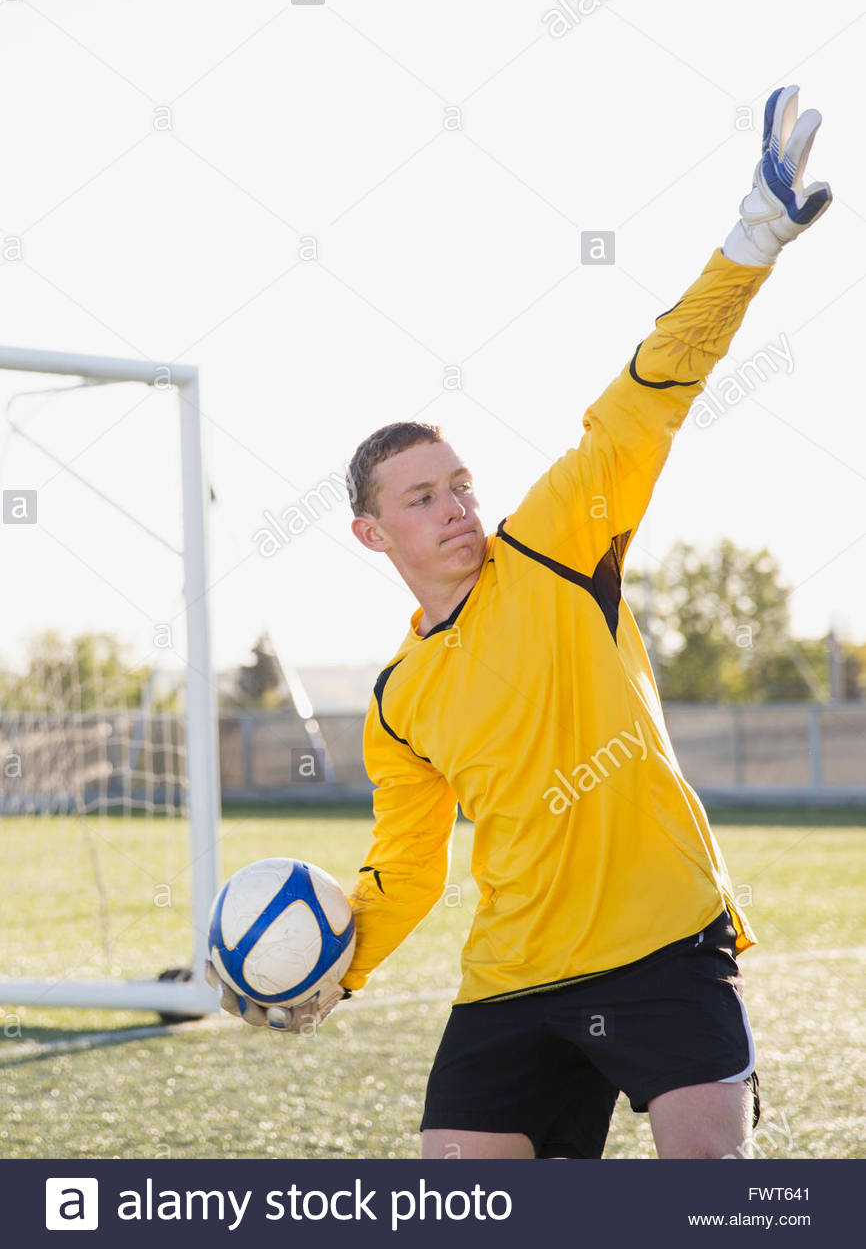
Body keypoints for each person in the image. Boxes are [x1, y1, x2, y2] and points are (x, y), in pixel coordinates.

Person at [208, 86, 831, 1159]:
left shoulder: (550, 546)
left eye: (458, 483)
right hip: (513, 978)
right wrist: (335, 969)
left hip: (660, 949)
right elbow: (405, 867)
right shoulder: (399, 700)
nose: (454, 508)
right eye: (420, 497)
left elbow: (647, 393)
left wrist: (750, 243)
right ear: (371, 535)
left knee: (714, 1196)